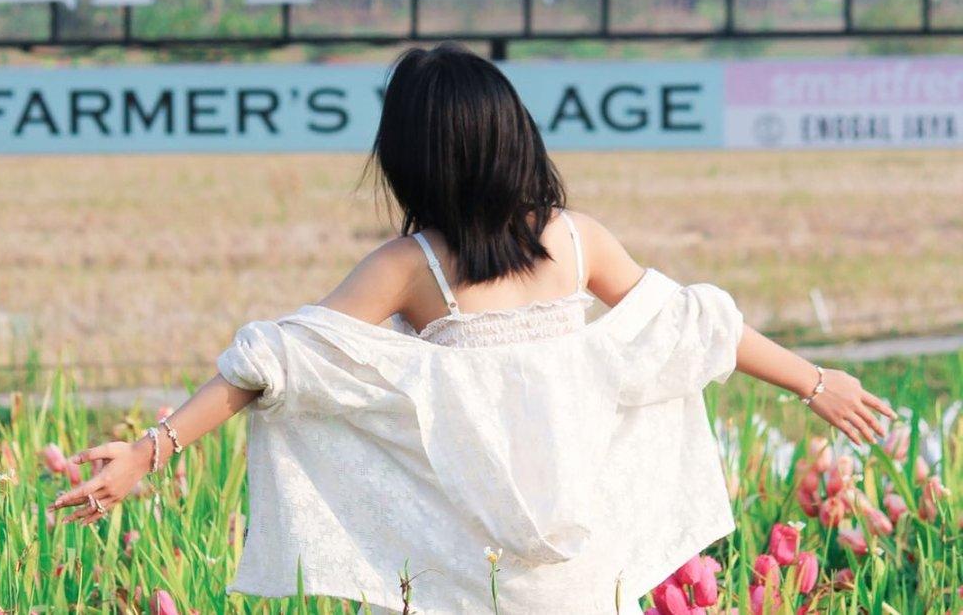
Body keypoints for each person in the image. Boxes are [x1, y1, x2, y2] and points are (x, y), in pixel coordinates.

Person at [50, 43, 897, 613]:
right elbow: (695, 330)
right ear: (511, 136)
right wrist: (815, 382)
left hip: (471, 565)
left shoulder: (412, 265)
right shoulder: (574, 240)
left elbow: (267, 363)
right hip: (582, 563)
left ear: (414, 157)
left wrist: (152, 448)